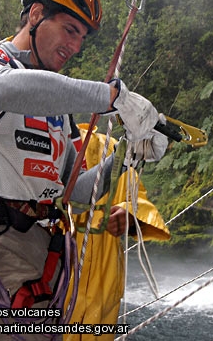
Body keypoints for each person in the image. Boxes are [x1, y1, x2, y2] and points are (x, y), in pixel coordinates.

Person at [0, 0, 167, 340]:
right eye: (70, 29)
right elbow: (2, 89)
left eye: (82, 37)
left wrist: (127, 155)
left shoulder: (58, 113)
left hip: (45, 255)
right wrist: (111, 97)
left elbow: (76, 190)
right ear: (36, 14)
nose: (75, 46)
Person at [63, 121, 170, 341]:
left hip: (104, 286)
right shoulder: (40, 147)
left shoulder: (109, 146)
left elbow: (137, 198)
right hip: (54, 285)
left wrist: (130, 215)